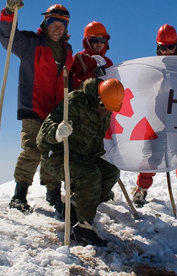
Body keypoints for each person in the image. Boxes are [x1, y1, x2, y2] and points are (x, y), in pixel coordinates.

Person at [0, 0, 74, 217]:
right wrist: (8, 13)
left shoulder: (68, 51)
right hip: (32, 106)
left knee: (54, 152)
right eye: (54, 24)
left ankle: (53, 194)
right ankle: (19, 196)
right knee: (32, 149)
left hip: (56, 111)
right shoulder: (31, 44)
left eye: (62, 25)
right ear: (46, 24)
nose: (57, 29)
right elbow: (8, 38)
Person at [36, 78, 125, 247]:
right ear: (98, 99)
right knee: (90, 175)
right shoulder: (75, 101)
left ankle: (78, 208)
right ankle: (82, 229)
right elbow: (41, 139)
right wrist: (57, 132)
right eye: (105, 107)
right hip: (57, 156)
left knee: (110, 173)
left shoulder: (105, 109)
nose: (107, 112)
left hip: (83, 157)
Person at [132, 23, 177, 209]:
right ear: (158, 47)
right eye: (163, 47)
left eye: (170, 47)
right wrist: (156, 80)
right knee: (151, 157)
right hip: (157, 117)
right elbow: (141, 88)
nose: (167, 51)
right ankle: (141, 190)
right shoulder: (153, 67)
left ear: (176, 46)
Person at [71, 21, 114, 92]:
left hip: (102, 98)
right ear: (88, 41)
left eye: (102, 40)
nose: (99, 43)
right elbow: (68, 78)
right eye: (95, 40)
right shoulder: (79, 58)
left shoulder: (108, 62)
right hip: (81, 98)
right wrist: (93, 75)